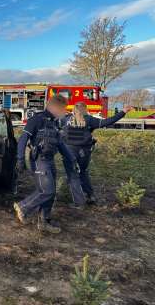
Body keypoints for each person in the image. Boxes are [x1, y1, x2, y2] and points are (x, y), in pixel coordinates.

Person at [13, 95, 82, 234]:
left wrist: (72, 159)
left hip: (49, 160)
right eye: (62, 109)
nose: (64, 112)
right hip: (39, 160)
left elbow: (60, 144)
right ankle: (23, 207)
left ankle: (44, 221)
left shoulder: (55, 122)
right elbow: (23, 139)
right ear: (54, 107)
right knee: (46, 191)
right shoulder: (37, 120)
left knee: (51, 193)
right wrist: (20, 159)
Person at [61, 102, 133, 204]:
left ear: (73, 110)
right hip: (85, 151)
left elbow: (57, 129)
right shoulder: (89, 119)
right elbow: (108, 121)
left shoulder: (65, 119)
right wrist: (123, 111)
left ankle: (78, 201)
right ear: (85, 110)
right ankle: (90, 196)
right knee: (83, 172)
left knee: (72, 175)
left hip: (69, 150)